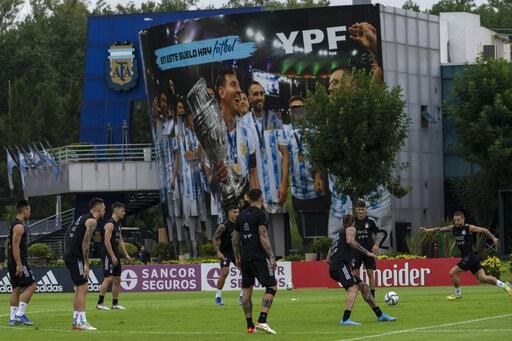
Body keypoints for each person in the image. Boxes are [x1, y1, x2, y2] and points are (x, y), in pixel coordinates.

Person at [241, 81, 289, 257]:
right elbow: (246, 158)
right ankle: (265, 268)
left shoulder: (274, 119)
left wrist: (284, 184)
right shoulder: (244, 123)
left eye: (261, 93)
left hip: (275, 187)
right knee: (260, 232)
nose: (259, 97)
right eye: (255, 94)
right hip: (256, 188)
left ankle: (282, 264)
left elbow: (285, 154)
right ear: (249, 97)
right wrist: (253, 187)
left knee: (278, 232)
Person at [420, 211, 511, 300]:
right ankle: (505, 285)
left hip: (470, 256)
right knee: (483, 278)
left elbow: (484, 230)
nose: (456, 222)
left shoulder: (469, 228)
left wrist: (493, 237)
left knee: (452, 273)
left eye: (458, 220)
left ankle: (457, 294)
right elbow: (440, 229)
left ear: (463, 219)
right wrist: (428, 230)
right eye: (455, 220)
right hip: (471, 257)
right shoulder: (453, 228)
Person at [327, 214, 396, 325]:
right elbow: (350, 241)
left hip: (336, 267)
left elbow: (328, 259)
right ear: (353, 222)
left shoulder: (336, 236)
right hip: (340, 266)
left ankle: (380, 315)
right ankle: (345, 319)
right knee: (353, 289)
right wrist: (367, 252)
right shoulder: (350, 229)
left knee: (364, 288)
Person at [208, 69, 260, 203]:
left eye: (238, 85)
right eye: (233, 84)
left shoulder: (248, 131)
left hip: (247, 210)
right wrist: (216, 176)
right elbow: (210, 185)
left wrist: (259, 204)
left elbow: (253, 173)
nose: (239, 90)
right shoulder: (211, 135)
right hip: (226, 215)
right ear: (221, 92)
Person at [284, 96, 329, 248]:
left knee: (321, 235)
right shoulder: (285, 132)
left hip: (316, 192)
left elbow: (322, 155)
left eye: (300, 108)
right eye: (293, 108)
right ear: (290, 112)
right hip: (298, 193)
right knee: (305, 238)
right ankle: (309, 265)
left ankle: (322, 266)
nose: (297, 111)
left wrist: (319, 176)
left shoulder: (315, 130)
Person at [232, 189, 277, 335]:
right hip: (259, 256)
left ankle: (250, 326)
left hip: (245, 258)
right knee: (271, 286)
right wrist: (271, 256)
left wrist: (237, 257)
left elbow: (235, 239)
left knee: (246, 292)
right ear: (261, 198)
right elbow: (263, 236)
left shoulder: (241, 216)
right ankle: (262, 320)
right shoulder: (260, 214)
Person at [64, 197, 106, 331]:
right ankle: (81, 321)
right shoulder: (92, 221)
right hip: (76, 258)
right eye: (104, 208)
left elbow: (68, 234)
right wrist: (86, 263)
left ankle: (77, 321)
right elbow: (85, 243)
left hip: (72, 256)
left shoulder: (82, 217)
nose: (105, 210)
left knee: (79, 289)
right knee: (82, 288)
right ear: (98, 209)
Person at [97, 202, 131, 311]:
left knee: (117, 280)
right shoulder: (110, 224)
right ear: (116, 210)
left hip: (115, 254)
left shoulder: (118, 225)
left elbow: (120, 240)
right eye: (122, 211)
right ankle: (100, 303)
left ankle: (115, 304)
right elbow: (106, 241)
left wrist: (126, 254)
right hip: (108, 254)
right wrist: (112, 256)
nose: (124, 213)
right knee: (108, 278)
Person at [7, 200, 36, 326]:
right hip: (19, 261)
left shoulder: (15, 224)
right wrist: (19, 264)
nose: (30, 212)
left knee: (16, 288)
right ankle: (20, 314)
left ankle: (13, 317)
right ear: (24, 210)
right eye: (29, 210)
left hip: (11, 260)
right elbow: (15, 246)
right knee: (32, 285)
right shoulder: (19, 226)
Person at [352, 200, 381, 298]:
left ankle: (372, 295)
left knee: (370, 272)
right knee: (354, 273)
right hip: (356, 251)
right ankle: (353, 292)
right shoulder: (353, 221)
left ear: (365, 210)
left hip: (369, 251)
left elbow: (377, 233)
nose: (360, 211)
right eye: (359, 209)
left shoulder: (371, 221)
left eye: (362, 209)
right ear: (356, 210)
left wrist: (376, 244)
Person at [212, 205, 240, 305]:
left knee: (246, 272)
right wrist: (218, 252)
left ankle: (242, 296)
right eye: (235, 212)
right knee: (225, 273)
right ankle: (218, 296)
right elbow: (214, 238)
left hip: (236, 252)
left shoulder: (239, 223)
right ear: (229, 213)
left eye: (238, 212)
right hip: (225, 253)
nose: (237, 214)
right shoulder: (223, 225)